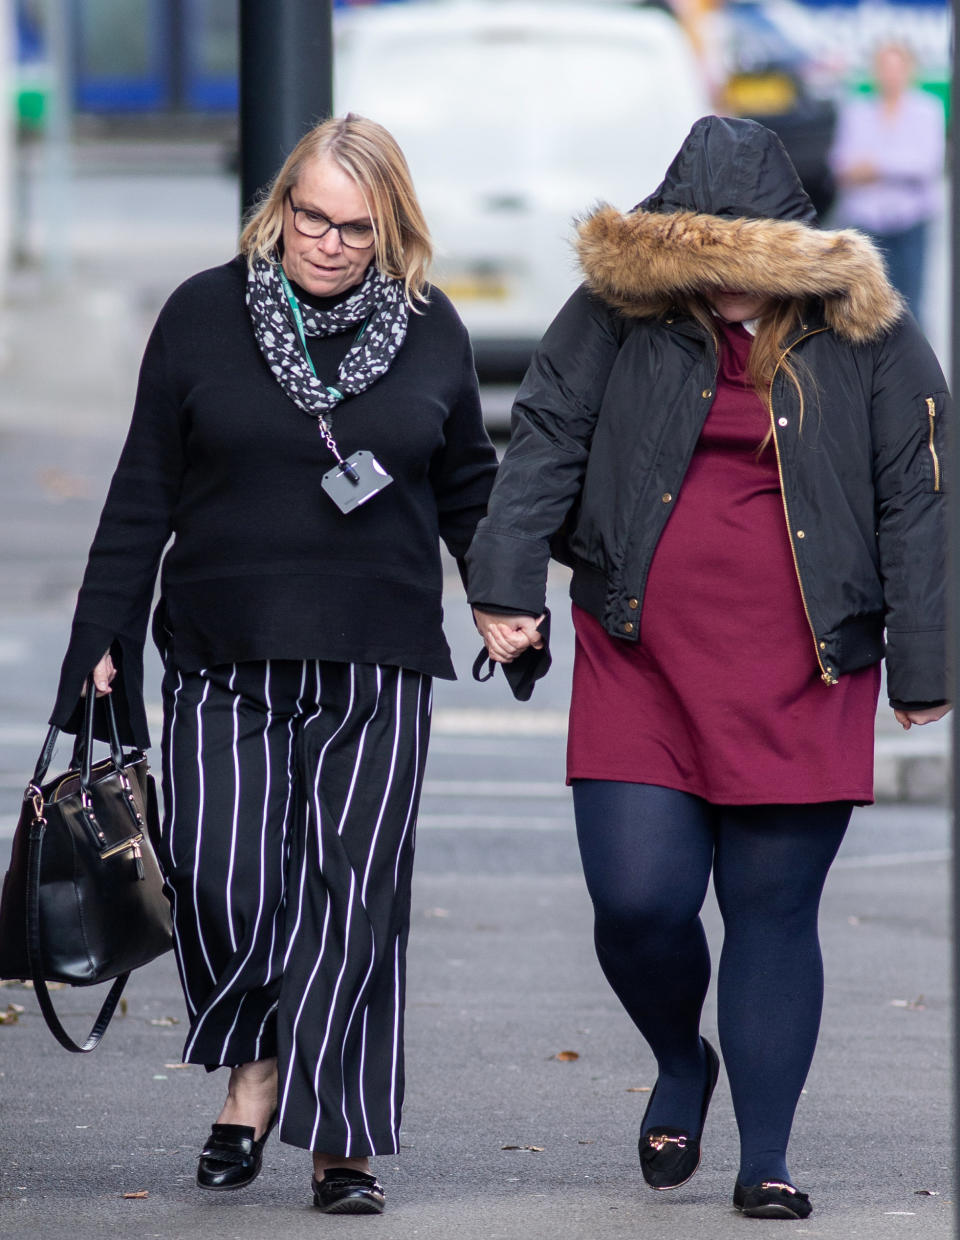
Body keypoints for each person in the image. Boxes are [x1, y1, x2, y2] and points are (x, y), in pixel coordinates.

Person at [467, 116, 949, 1220]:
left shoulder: (868, 332)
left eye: (745, 262)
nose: (725, 286)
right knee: (637, 903)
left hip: (807, 668)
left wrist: (926, 661)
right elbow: (543, 437)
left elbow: (919, 495)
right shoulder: (613, 315)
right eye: (703, 261)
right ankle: (680, 1057)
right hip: (641, 655)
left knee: (773, 910)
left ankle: (766, 1158)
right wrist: (504, 588)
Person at [51, 113, 497, 1215]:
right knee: (220, 880)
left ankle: (338, 1136)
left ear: (388, 225)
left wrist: (504, 600)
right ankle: (255, 1063)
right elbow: (144, 484)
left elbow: (470, 484)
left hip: (377, 655)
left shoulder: (434, 328)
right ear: (279, 207)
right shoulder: (204, 315)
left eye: (355, 226)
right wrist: (101, 636)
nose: (330, 243)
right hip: (220, 650)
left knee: (356, 899)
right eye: (312, 217)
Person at [829, 41, 945, 325]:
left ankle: (914, 369)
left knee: (911, 307)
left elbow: (926, 165)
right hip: (866, 220)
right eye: (884, 68)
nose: (890, 75)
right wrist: (892, 165)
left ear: (910, 71)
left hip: (910, 219)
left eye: (897, 68)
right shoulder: (857, 111)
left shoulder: (927, 110)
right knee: (862, 306)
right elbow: (840, 164)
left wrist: (875, 166)